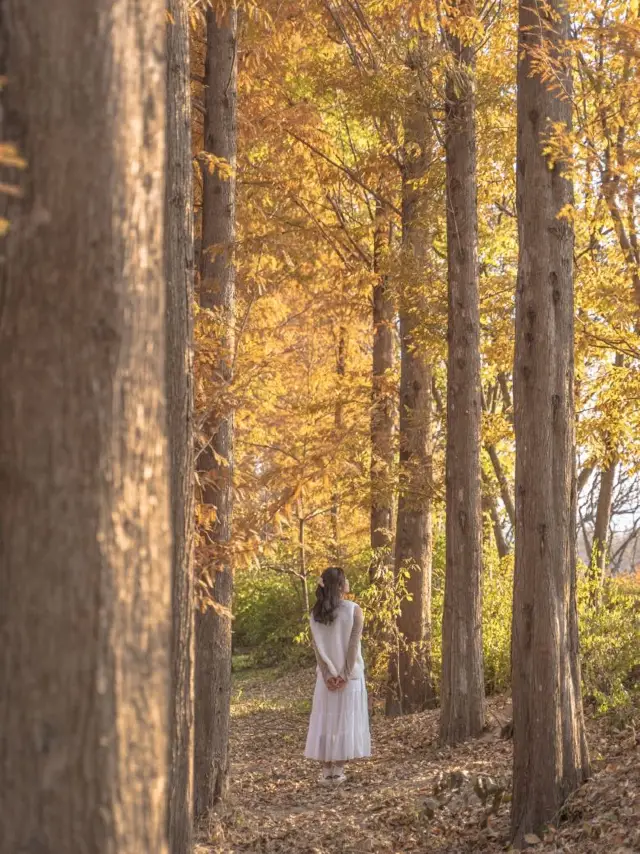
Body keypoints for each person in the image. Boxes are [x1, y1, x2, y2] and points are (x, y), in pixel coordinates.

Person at [304, 566, 371, 786]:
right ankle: (338, 771)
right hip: (349, 679)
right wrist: (344, 674)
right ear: (340, 585)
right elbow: (353, 647)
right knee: (345, 721)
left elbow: (318, 650)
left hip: (327, 680)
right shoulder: (354, 610)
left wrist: (327, 675)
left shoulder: (315, 614)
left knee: (326, 721)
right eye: (345, 579)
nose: (348, 582)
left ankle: (326, 773)